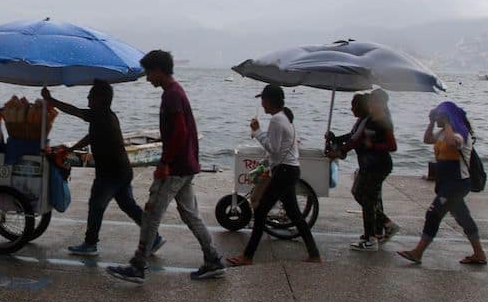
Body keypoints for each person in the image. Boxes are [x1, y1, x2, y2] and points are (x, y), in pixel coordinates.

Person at [107, 50, 225, 284]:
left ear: (159, 70)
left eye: (149, 73)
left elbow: (180, 132)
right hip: (187, 165)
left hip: (176, 168)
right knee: (191, 215)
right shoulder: (175, 92)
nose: (148, 78)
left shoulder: (171, 95)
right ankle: (213, 260)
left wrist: (165, 163)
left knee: (151, 214)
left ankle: (138, 265)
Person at [42, 80, 164, 257]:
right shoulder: (107, 116)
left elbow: (75, 111)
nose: (88, 97)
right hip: (122, 171)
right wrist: (71, 148)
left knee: (96, 205)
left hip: (110, 173)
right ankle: (154, 238)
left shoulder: (100, 115)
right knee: (129, 206)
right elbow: (91, 136)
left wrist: (51, 100)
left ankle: (90, 243)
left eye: (91, 95)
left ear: (99, 99)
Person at [227, 84, 321, 266]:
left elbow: (274, 148)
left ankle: (247, 256)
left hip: (284, 171)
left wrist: (257, 131)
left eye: (263, 100)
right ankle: (314, 254)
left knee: (261, 210)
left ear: (269, 100)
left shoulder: (277, 120)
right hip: (290, 170)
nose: (262, 104)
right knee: (294, 214)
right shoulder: (285, 117)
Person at [397, 101, 486, 265]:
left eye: (438, 115)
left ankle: (418, 252)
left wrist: (447, 122)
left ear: (447, 117)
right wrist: (432, 122)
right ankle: (479, 253)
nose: (436, 118)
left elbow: (453, 143)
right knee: (463, 218)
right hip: (446, 184)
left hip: (457, 184)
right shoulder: (442, 133)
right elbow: (427, 139)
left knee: (433, 214)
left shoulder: (461, 133)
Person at [329, 89, 398, 251]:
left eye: (373, 102)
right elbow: (354, 140)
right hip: (367, 165)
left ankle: (371, 238)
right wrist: (338, 148)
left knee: (368, 200)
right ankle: (386, 225)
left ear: (380, 104)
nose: (371, 104)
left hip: (379, 166)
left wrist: (373, 146)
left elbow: (392, 146)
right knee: (360, 194)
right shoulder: (368, 121)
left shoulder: (384, 122)